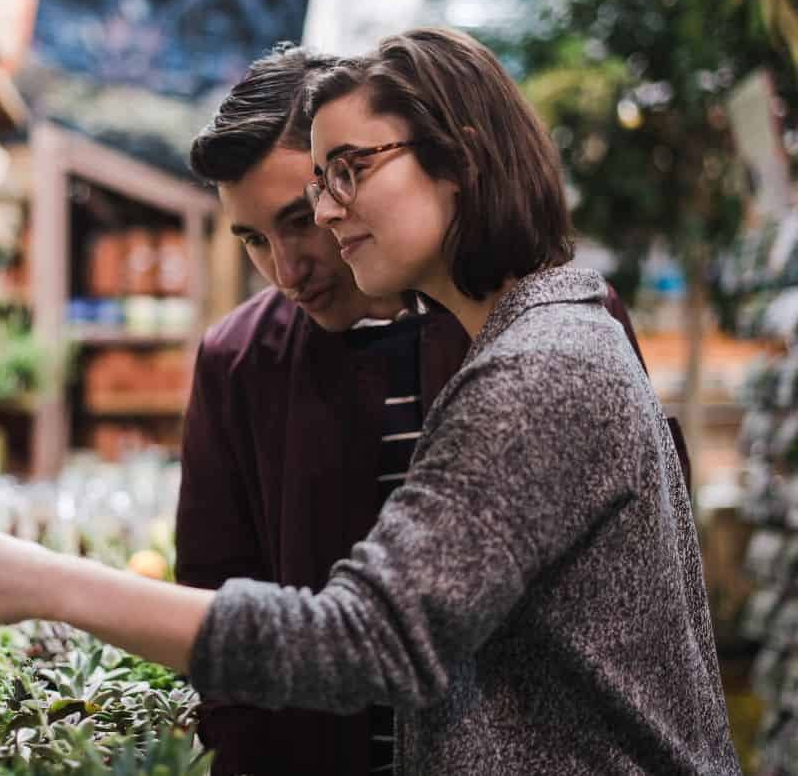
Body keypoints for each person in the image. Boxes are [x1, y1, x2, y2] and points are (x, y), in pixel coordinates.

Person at [0, 29, 736, 775]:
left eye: (343, 177)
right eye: (317, 189)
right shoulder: (265, 360)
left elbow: (363, 639)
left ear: (459, 159)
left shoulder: (538, 362)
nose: (321, 226)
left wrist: (42, 581)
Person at [176, 43, 684, 776]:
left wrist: (49, 584)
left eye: (304, 214)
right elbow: (218, 599)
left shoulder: (543, 338)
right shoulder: (240, 361)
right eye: (254, 239)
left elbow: (638, 584)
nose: (287, 270)